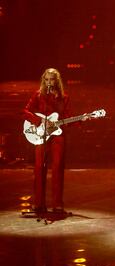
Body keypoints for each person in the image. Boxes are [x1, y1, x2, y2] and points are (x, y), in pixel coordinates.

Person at [22, 68, 89, 214]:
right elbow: (25, 111)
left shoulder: (64, 97)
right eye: (46, 80)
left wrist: (80, 119)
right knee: (39, 167)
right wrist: (39, 120)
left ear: (56, 81)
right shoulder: (38, 95)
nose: (48, 83)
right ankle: (38, 203)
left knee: (58, 167)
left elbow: (67, 118)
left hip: (58, 136)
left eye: (51, 79)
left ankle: (57, 204)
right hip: (40, 134)